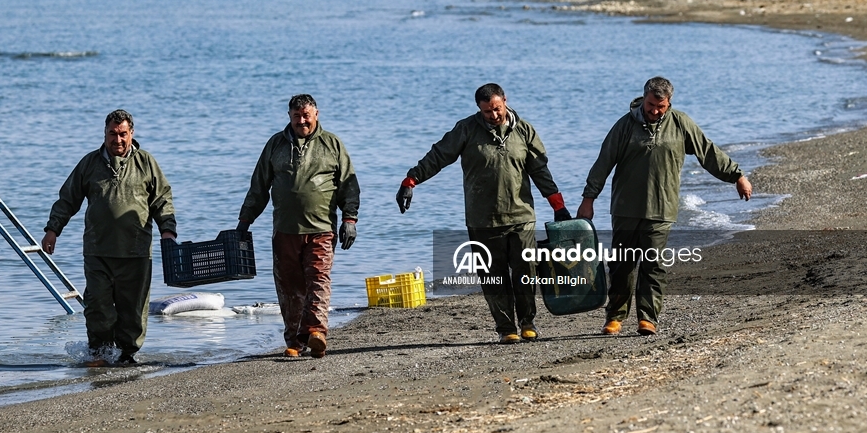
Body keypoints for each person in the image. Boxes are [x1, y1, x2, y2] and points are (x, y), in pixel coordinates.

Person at [396, 83, 572, 344]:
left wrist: (558, 206)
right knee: (493, 277)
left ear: (505, 102)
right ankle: (506, 328)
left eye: (497, 109)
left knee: (526, 271)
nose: (494, 115)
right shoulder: (466, 130)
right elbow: (439, 156)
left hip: (521, 216)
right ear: (479, 109)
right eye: (487, 111)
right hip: (482, 220)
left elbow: (540, 171)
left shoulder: (524, 130)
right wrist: (411, 180)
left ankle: (527, 322)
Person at [577, 76, 752, 336]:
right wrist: (588, 199)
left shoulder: (680, 124)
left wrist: (736, 176)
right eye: (650, 105)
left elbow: (708, 152)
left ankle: (647, 317)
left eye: (661, 106)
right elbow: (603, 162)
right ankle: (615, 316)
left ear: (669, 103)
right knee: (622, 265)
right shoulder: (625, 126)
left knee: (653, 264)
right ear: (644, 99)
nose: (655, 111)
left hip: (662, 209)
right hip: (626, 208)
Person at [42, 110, 177, 365]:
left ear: (131, 134)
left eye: (123, 134)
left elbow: (162, 199)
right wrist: (53, 230)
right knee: (98, 308)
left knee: (133, 313)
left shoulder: (146, 163)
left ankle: (126, 356)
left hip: (136, 252)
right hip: (98, 251)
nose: (118, 140)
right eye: (112, 134)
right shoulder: (89, 163)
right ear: (104, 134)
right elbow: (68, 199)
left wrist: (167, 231)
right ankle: (99, 355)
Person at [237, 94, 359, 359]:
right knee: (289, 287)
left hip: (321, 228)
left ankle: (316, 333)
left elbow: (349, 184)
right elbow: (259, 187)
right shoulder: (275, 145)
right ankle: (294, 341)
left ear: (316, 114)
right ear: (289, 116)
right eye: (296, 116)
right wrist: (244, 221)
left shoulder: (332, 144)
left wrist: (350, 219)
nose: (301, 121)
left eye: (306, 115)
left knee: (318, 279)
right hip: (285, 230)